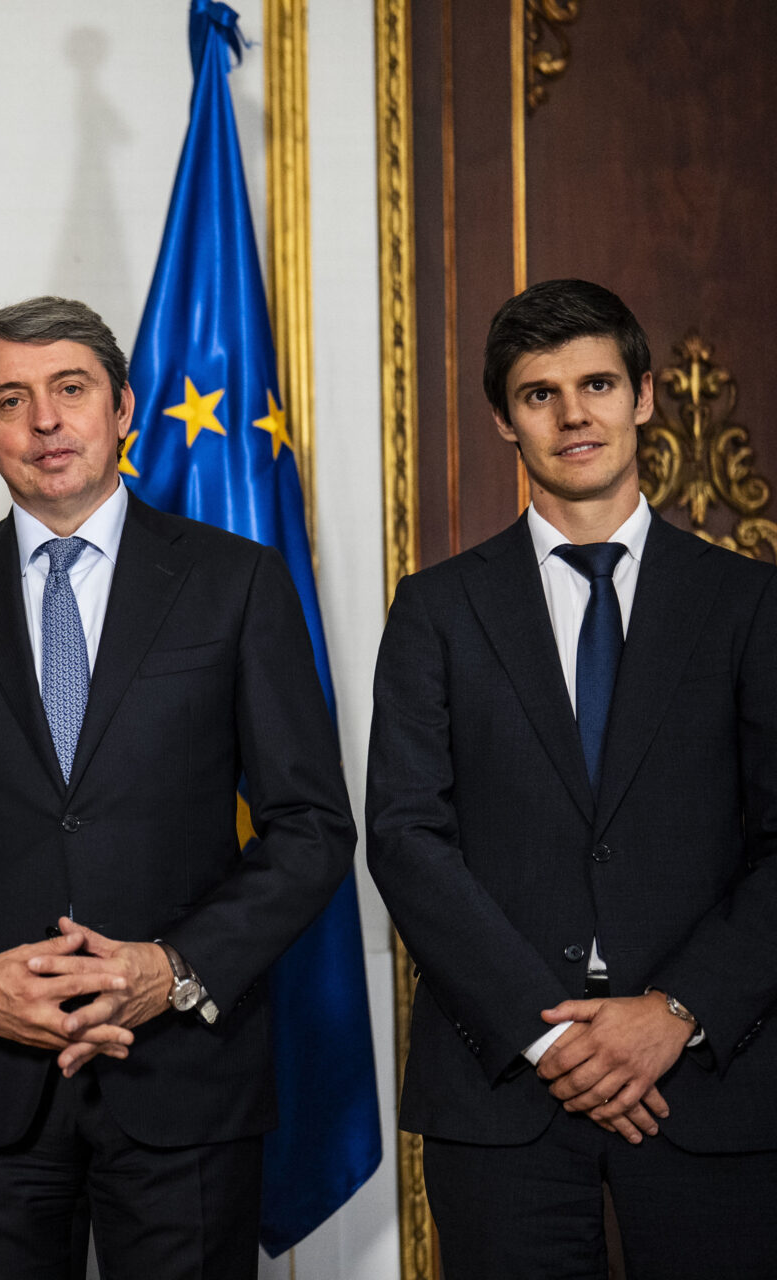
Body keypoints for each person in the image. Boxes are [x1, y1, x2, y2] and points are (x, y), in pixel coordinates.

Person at [0, 296, 356, 1279]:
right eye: (11, 401)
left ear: (121, 407)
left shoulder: (236, 581)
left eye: (70, 389)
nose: (45, 420)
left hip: (183, 1072)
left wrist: (177, 966)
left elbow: (312, 826)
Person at [367, 277, 777, 1279]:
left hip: (709, 1079)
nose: (573, 414)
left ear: (644, 395)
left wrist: (675, 1011)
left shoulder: (750, 603)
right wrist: (548, 1039)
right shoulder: (436, 610)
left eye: (596, 384)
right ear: (505, 419)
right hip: (502, 1083)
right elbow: (407, 839)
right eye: (539, 393)